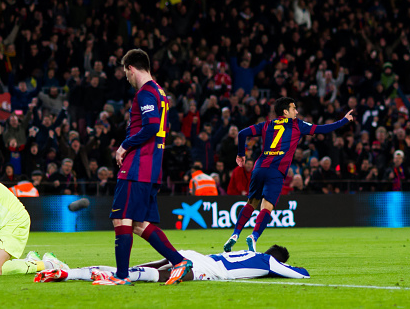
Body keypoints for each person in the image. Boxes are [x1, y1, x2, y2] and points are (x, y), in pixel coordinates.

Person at [224, 97, 354, 252]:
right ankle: (253, 237)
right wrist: (344, 120)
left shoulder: (267, 124)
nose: (297, 111)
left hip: (259, 167)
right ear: (285, 112)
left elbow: (242, 133)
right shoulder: (297, 124)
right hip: (275, 171)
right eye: (294, 108)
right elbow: (322, 129)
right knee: (267, 207)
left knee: (251, 203)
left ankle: (235, 234)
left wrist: (241, 155)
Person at [109, 49, 192, 286]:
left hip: (137, 165)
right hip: (152, 166)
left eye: (125, 71)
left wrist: (125, 145)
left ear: (131, 68)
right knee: (138, 224)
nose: (125, 76)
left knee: (121, 219)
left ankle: (122, 276)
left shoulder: (145, 93)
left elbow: (151, 126)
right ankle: (179, 261)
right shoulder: (160, 92)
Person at [34, 244, 309, 283]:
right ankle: (71, 274)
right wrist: (299, 270)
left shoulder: (249, 253)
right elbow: (299, 275)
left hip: (194, 254)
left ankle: (69, 271)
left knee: (127, 270)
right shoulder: (270, 261)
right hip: (205, 270)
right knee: (149, 277)